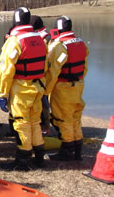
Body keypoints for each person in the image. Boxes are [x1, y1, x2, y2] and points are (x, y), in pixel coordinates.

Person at [0, 7, 47, 171]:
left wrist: (2, 93)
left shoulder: (15, 40)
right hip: (37, 87)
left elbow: (6, 70)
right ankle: (39, 156)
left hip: (21, 89)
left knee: (21, 123)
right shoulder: (39, 38)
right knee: (35, 122)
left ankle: (23, 160)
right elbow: (45, 65)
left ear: (15, 20)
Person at [45, 16, 89, 161]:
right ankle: (77, 149)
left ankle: (67, 149)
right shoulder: (81, 43)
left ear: (57, 29)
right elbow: (85, 67)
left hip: (63, 88)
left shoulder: (59, 46)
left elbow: (53, 72)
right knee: (75, 118)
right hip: (78, 86)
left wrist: (46, 91)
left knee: (63, 119)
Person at [30, 15, 51, 135]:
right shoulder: (41, 37)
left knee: (43, 103)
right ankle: (39, 126)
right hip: (39, 76)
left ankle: (45, 127)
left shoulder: (46, 38)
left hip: (43, 77)